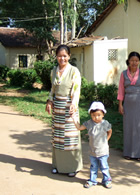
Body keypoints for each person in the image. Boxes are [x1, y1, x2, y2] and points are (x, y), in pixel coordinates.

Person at [45, 44, 82, 177]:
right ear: (56, 57)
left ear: (69, 56)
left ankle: (72, 167)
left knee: (70, 137)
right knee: (58, 137)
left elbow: (76, 90)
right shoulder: (54, 71)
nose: (62, 58)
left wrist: (73, 104)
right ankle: (57, 165)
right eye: (60, 56)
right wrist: (49, 101)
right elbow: (52, 89)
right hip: (57, 108)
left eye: (65, 56)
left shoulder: (74, 71)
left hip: (69, 108)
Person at [117, 51, 140, 161]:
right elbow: (121, 91)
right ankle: (128, 152)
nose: (134, 63)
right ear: (128, 61)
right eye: (132, 60)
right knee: (128, 127)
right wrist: (120, 105)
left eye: (136, 61)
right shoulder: (123, 74)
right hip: (128, 104)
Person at [72, 101, 112, 189]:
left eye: (98, 115)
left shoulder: (105, 124)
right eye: (93, 115)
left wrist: (106, 140)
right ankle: (92, 180)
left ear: (103, 114)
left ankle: (107, 180)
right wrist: (74, 118)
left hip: (103, 151)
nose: (96, 117)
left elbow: (109, 131)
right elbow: (79, 128)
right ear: (90, 115)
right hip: (93, 151)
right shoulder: (89, 123)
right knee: (93, 167)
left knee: (104, 167)